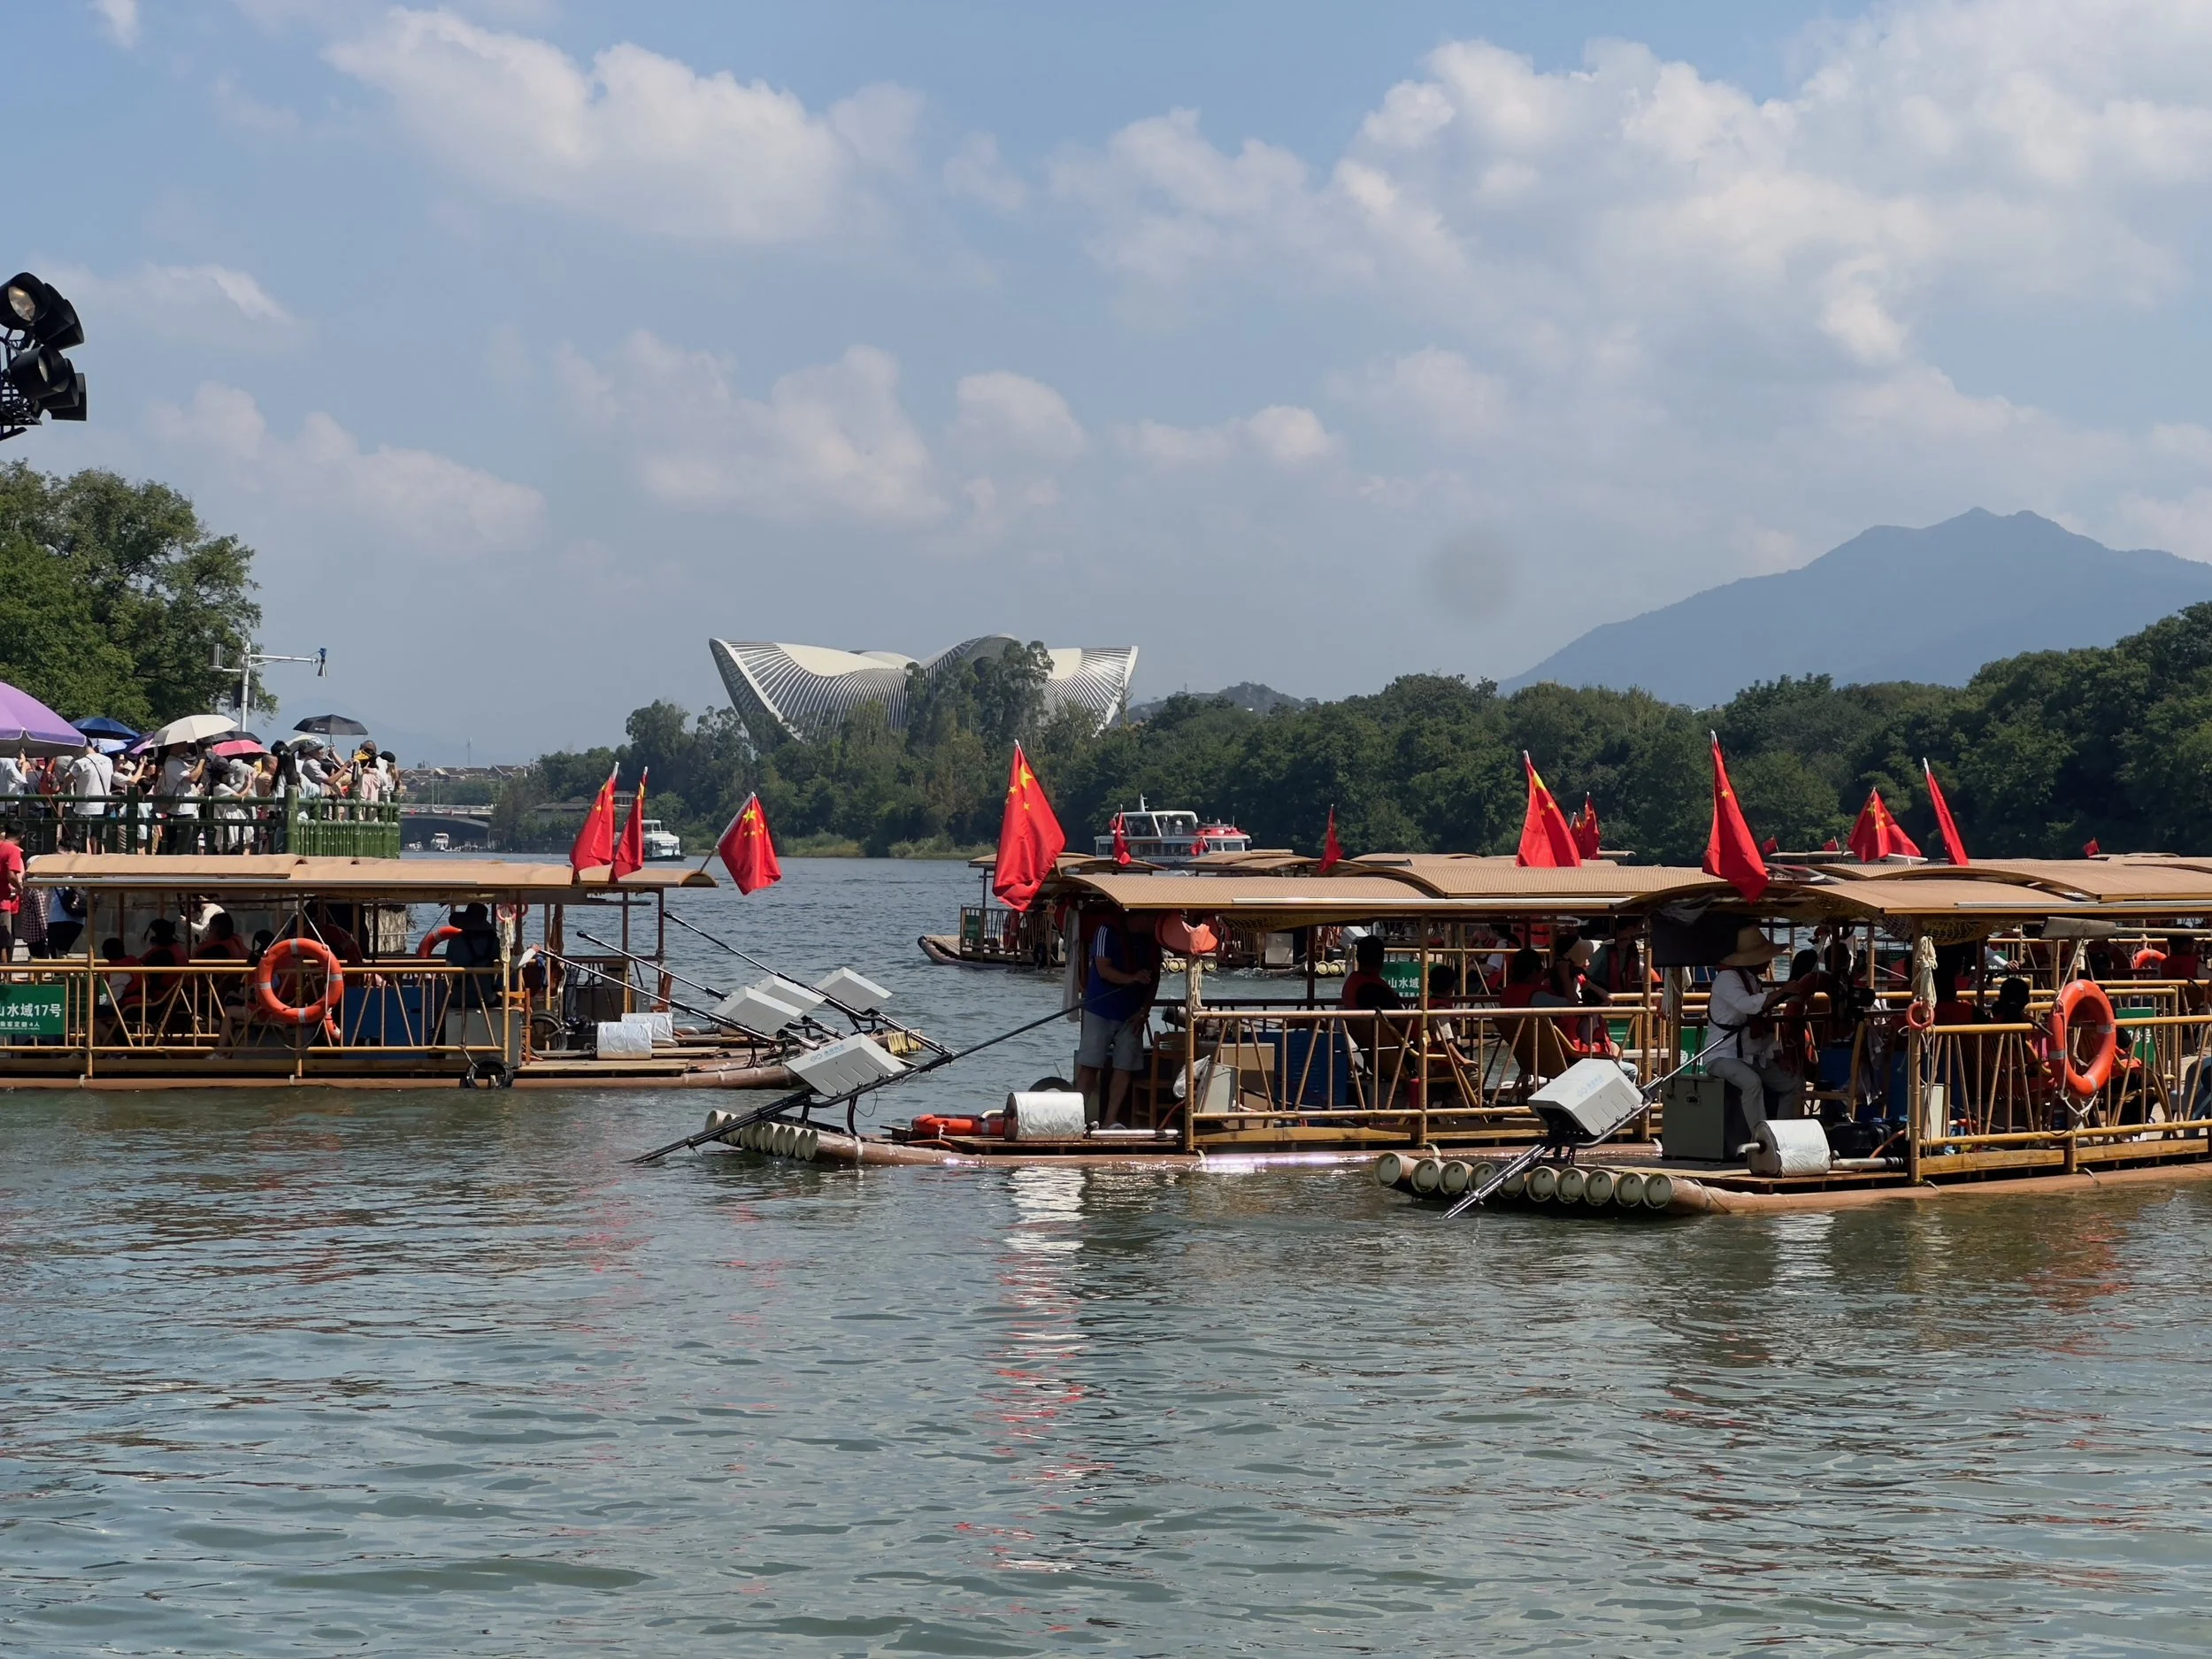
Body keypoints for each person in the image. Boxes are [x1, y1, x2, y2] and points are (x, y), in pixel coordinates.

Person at [1703, 925, 1801, 1141]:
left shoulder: (1752, 981)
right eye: (1764, 958)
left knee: (1793, 1083)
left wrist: (1777, 1054)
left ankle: (1784, 1137)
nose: (1768, 963)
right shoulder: (1727, 979)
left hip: (1752, 1056)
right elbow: (1747, 1006)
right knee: (1752, 1082)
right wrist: (1781, 992)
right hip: (1722, 1055)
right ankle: (1762, 1139)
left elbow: (1762, 1026)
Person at [1074, 911, 1160, 1129]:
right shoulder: (1107, 930)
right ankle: (1075, 1118)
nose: (1154, 923)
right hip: (1100, 1010)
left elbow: (1154, 978)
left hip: (1132, 1014)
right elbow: (1103, 969)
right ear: (1140, 917)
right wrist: (1132, 978)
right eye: (1152, 918)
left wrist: (1144, 1010)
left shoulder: (1152, 941)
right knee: (1090, 1065)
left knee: (1125, 1066)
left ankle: (1110, 1119)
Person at [1338, 935, 1402, 1011]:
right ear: (1381, 960)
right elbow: (1402, 1021)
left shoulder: (1351, 981)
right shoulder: (1378, 990)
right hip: (1383, 1023)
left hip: (1352, 1022)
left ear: (1358, 958)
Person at [0, 822, 23, 962]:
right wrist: (20, 889)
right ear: (22, 836)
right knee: (4, 942)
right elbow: (11, 875)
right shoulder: (13, 850)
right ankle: (5, 978)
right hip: (2, 902)